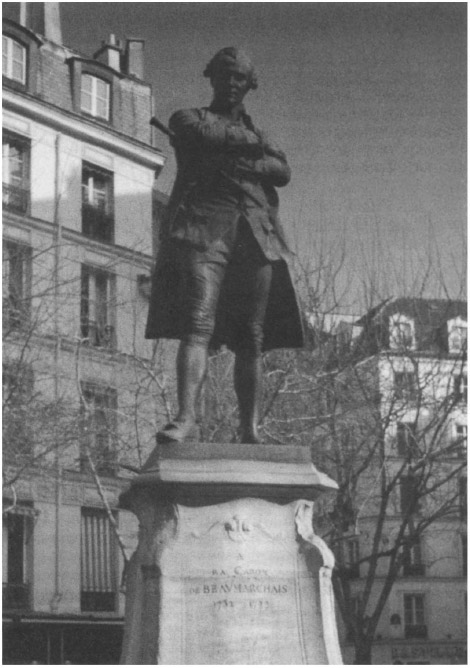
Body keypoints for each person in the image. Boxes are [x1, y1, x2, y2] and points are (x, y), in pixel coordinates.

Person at [145, 47, 304, 444]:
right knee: (197, 322)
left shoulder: (261, 136)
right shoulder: (188, 117)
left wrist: (249, 158)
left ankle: (249, 430)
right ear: (211, 77)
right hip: (203, 231)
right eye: (225, 75)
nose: (231, 83)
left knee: (252, 336)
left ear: (250, 85)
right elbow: (197, 133)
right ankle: (186, 418)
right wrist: (249, 148)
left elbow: (282, 171)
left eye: (240, 78)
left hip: (255, 237)